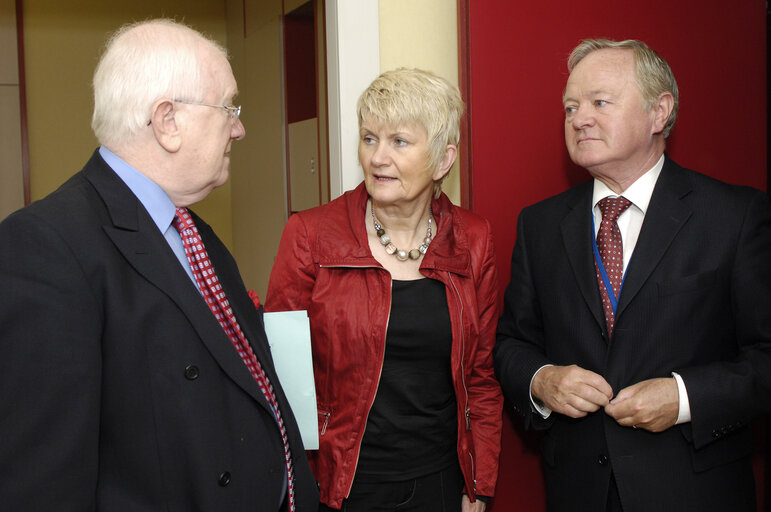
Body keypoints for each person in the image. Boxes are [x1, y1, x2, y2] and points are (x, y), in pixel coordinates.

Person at [0, 19, 318, 511]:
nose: (240, 128)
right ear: (167, 120)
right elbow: (44, 480)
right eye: (229, 108)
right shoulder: (46, 246)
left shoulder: (194, 233)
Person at [494, 38, 771, 511]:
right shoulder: (539, 225)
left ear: (659, 113)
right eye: (570, 107)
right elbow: (511, 344)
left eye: (600, 102)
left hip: (694, 492)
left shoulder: (735, 216)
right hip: (578, 492)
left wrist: (684, 397)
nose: (579, 118)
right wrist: (542, 380)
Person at [265, 68, 502, 512]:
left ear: (443, 159)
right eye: (370, 138)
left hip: (440, 482)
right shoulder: (310, 235)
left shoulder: (474, 239)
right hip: (341, 486)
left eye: (399, 142)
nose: (377, 158)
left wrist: (479, 484)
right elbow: (280, 377)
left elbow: (481, 377)